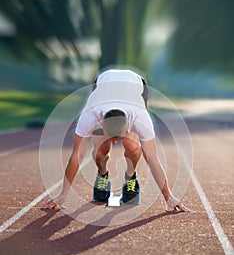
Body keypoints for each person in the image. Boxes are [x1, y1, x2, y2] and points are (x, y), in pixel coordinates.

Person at [42, 69, 190, 212]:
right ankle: (102, 174)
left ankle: (131, 177)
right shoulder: (89, 116)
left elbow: (152, 158)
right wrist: (63, 194)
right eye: (112, 138)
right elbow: (77, 155)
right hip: (103, 82)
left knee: (132, 146)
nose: (115, 142)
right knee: (101, 151)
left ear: (128, 127)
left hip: (137, 85)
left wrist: (168, 196)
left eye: (119, 138)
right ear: (101, 127)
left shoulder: (140, 117)